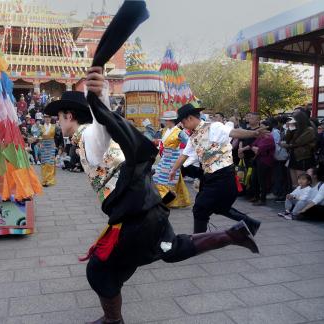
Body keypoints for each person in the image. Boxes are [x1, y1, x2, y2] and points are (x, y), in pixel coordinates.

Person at [45, 68, 260, 324]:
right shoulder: (90, 137)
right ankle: (233, 234)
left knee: (99, 269)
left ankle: (113, 321)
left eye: (59, 117)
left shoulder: (86, 136)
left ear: (69, 116)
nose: (58, 123)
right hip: (147, 209)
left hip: (135, 216)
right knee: (170, 249)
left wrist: (100, 95)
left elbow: (101, 129)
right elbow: (105, 128)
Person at [170, 104, 263, 235]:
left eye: (183, 122)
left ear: (190, 118)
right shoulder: (193, 137)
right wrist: (173, 170)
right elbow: (184, 155)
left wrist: (254, 133)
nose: (183, 125)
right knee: (219, 207)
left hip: (223, 174)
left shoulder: (214, 126)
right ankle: (250, 223)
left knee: (200, 207)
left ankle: (199, 239)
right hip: (209, 176)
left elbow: (233, 132)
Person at [153, 110, 191, 208]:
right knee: (158, 177)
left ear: (171, 120)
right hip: (164, 157)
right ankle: (165, 199)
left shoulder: (179, 132)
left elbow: (189, 144)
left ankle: (167, 200)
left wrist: (183, 154)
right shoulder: (165, 130)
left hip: (173, 159)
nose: (165, 122)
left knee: (167, 180)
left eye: (166, 120)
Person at [282, 111, 317, 189]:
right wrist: (290, 129)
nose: (292, 121)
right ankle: (295, 197)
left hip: (303, 157)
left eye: (294, 119)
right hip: (294, 156)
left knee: (302, 182)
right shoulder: (295, 129)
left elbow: (298, 142)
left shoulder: (309, 129)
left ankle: (304, 199)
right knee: (295, 182)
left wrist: (288, 145)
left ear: (300, 119)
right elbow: (287, 140)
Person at [250, 120, 275, 205]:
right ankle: (256, 196)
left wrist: (256, 148)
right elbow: (253, 144)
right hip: (258, 159)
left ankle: (262, 199)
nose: (260, 127)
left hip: (265, 161)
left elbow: (260, 148)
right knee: (254, 179)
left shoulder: (269, 137)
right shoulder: (261, 136)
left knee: (262, 180)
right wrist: (254, 148)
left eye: (262, 126)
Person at [238, 112, 260, 198]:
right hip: (244, 155)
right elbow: (241, 140)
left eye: (252, 118)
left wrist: (242, 149)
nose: (250, 119)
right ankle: (244, 192)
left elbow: (253, 144)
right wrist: (240, 150)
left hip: (253, 156)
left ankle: (253, 194)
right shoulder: (247, 129)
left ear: (257, 120)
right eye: (249, 118)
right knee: (243, 174)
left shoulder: (258, 131)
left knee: (252, 176)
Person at [39, 114, 56, 186]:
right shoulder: (41, 127)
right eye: (46, 117)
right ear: (44, 118)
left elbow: (58, 137)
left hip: (51, 145)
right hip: (44, 145)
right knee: (44, 163)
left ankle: (50, 180)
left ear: (50, 118)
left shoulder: (54, 126)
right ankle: (44, 180)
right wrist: (39, 142)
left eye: (49, 117)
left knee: (50, 162)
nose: (47, 119)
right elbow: (39, 136)